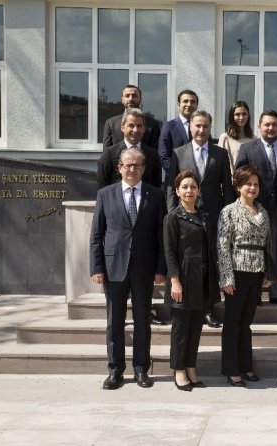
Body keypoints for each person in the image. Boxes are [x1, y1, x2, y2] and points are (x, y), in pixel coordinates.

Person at [90, 147, 166, 390]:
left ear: (143, 169)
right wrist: (97, 267)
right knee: (115, 322)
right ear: (119, 168)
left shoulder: (156, 195)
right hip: (113, 267)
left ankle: (141, 369)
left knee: (143, 320)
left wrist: (160, 268)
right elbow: (96, 235)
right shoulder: (105, 194)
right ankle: (115, 371)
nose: (132, 169)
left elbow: (160, 236)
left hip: (144, 267)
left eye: (137, 165)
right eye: (128, 165)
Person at [166, 110, 236, 328]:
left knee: (209, 262)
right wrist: (172, 213)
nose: (201, 130)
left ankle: (209, 309)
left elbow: (228, 188)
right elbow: (171, 186)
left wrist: (228, 215)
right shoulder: (179, 153)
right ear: (190, 127)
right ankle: (184, 306)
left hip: (213, 217)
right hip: (186, 217)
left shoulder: (220, 154)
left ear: (210, 128)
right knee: (189, 261)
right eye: (197, 125)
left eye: (205, 126)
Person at [234, 110, 277, 306]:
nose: (271, 128)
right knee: (255, 249)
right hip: (254, 207)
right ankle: (254, 293)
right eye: (267, 125)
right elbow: (239, 178)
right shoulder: (247, 149)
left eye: (274, 125)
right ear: (259, 127)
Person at [217, 165, 273, 387]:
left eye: (255, 184)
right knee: (233, 322)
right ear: (238, 186)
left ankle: (246, 365)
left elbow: (268, 243)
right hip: (236, 272)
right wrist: (226, 277)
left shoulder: (263, 212)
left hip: (256, 272)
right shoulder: (229, 211)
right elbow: (223, 246)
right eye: (248, 183)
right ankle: (232, 370)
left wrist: (268, 271)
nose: (252, 188)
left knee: (246, 322)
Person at [164, 170, 219, 391]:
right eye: (185, 187)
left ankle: (190, 365)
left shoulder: (204, 215)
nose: (189, 191)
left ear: (199, 191)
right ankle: (179, 369)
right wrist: (175, 281)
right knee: (181, 329)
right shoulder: (173, 217)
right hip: (184, 279)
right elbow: (169, 252)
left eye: (193, 187)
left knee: (196, 327)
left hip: (202, 279)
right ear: (177, 191)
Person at [97, 108, 162, 189]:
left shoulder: (153, 155)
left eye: (139, 126)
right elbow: (102, 186)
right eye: (131, 125)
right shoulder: (109, 154)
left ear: (144, 129)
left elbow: (156, 187)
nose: (135, 130)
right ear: (122, 127)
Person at [103, 84, 160, 149]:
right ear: (122, 99)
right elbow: (107, 152)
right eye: (127, 96)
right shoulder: (111, 123)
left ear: (140, 99)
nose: (131, 99)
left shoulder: (152, 124)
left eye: (134, 96)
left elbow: (155, 152)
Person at [158, 90, 199, 175]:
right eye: (185, 101)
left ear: (196, 106)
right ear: (178, 104)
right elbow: (163, 156)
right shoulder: (168, 126)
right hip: (176, 179)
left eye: (192, 102)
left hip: (199, 179)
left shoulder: (202, 127)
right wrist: (180, 176)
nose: (189, 104)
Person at [217, 100, 255, 171]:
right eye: (237, 114)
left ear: (248, 116)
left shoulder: (254, 139)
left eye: (244, 114)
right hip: (231, 177)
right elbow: (220, 163)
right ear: (232, 116)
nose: (241, 117)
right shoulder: (225, 138)